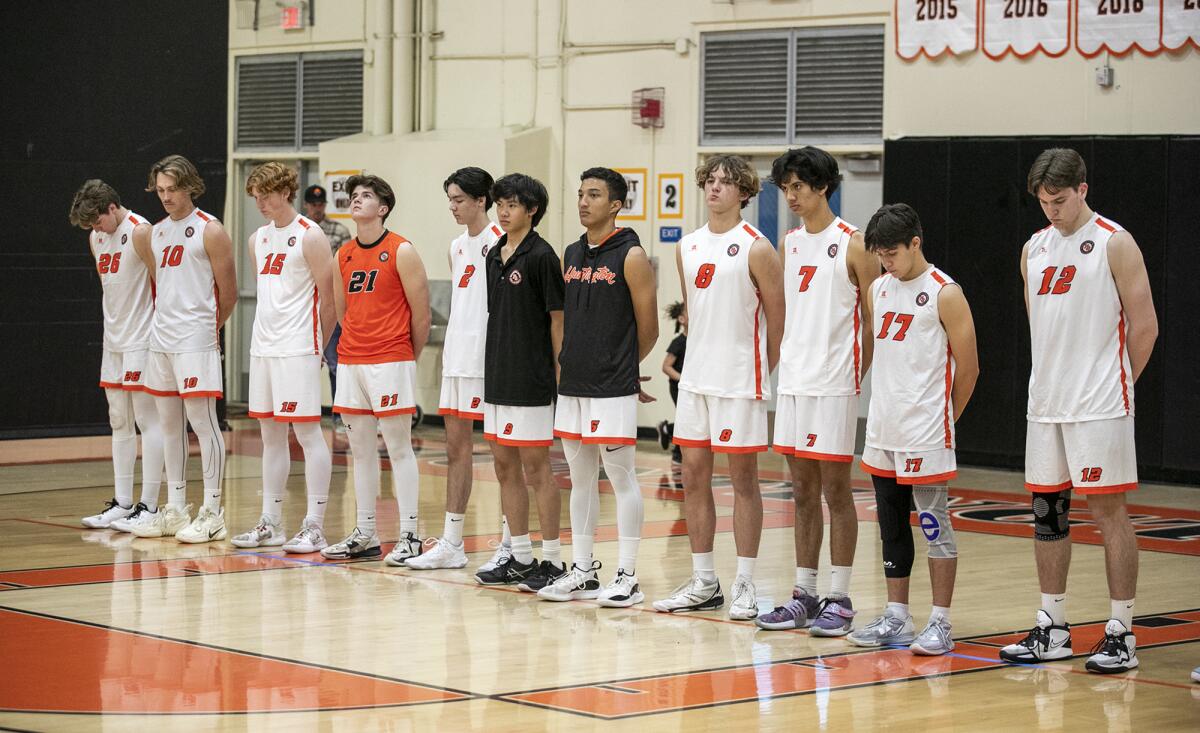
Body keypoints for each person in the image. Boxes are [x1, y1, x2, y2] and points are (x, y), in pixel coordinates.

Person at [999, 148, 1158, 675]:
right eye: (1044, 202)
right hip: (1046, 405)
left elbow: (1145, 326)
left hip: (1100, 404)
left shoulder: (1116, 242)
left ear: (1083, 190)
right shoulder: (1033, 249)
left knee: (1109, 513)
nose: (1052, 210)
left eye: (1060, 201)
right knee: (1048, 516)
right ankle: (1053, 625)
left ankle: (1121, 631)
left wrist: (1118, 387)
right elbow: (1042, 328)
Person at [652, 155, 785, 619]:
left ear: (745, 192)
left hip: (738, 382)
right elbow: (692, 316)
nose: (715, 188)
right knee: (693, 478)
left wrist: (758, 375)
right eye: (710, 180)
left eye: (726, 182)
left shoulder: (757, 247)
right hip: (695, 383)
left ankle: (746, 581)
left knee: (744, 482)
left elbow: (777, 321)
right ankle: (704, 580)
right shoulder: (685, 246)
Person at [756, 147, 879, 636]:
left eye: (798, 186)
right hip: (795, 383)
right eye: (785, 188)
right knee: (801, 490)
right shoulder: (789, 243)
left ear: (823, 186)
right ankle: (803, 593)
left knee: (836, 490)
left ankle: (841, 597)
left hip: (833, 385)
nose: (790, 195)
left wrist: (854, 375)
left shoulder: (855, 243)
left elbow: (874, 318)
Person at [847, 203, 978, 656]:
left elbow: (970, 368)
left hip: (925, 433)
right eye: (880, 255)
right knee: (890, 526)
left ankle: (941, 621)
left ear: (915, 244)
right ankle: (896, 615)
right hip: (883, 429)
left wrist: (944, 422)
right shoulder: (879, 289)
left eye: (893, 253)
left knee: (932, 524)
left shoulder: (945, 292)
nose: (886, 262)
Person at [538, 167, 658, 606]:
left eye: (594, 195)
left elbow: (649, 328)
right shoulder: (571, 253)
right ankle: (584, 570)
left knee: (622, 478)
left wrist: (624, 367)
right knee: (580, 480)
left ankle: (627, 575)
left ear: (615, 205)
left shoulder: (632, 255)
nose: (584, 202)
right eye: (581, 194)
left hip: (611, 386)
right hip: (572, 384)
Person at [320, 174, 431, 563]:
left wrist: (405, 356)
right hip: (352, 360)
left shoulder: (402, 250)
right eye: (354, 195)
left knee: (398, 448)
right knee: (360, 451)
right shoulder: (343, 254)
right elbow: (341, 309)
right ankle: (365, 533)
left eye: (366, 196)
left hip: (390, 359)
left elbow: (422, 315)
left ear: (383, 208)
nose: (357, 200)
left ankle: (411, 535)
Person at [405, 167, 511, 571]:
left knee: (504, 456)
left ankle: (509, 542)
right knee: (455, 450)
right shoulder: (456, 246)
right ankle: (452, 542)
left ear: (482, 200)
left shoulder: (501, 243)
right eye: (449, 199)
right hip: (458, 360)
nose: (452, 206)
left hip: (491, 361)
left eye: (459, 199)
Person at [129, 155, 236, 543]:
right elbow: (162, 287)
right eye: (159, 190)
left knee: (203, 425)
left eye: (172, 189)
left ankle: (212, 511)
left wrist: (209, 330)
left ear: (190, 185)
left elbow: (229, 292)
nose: (166, 197)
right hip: (161, 342)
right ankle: (175, 508)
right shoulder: (153, 233)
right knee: (169, 427)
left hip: (195, 342)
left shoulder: (211, 230)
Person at [231, 163, 336, 553]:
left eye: (264, 194)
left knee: (307, 434)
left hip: (298, 347)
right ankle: (270, 523)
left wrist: (321, 347)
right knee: (270, 437)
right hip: (264, 347)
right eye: (254, 195)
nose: (258, 202)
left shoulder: (311, 236)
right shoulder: (256, 239)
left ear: (284, 192)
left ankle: (315, 525)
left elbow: (329, 298)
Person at [473, 174, 566, 588]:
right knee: (502, 464)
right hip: (498, 373)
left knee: (536, 468)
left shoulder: (543, 256)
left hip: (531, 377)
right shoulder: (494, 253)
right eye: (500, 204)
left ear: (532, 210)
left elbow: (557, 323)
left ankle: (553, 559)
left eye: (512, 204)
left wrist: (560, 377)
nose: (503, 211)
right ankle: (522, 556)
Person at [69, 180, 163, 532]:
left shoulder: (141, 232)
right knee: (118, 419)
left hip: (144, 339)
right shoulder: (96, 238)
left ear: (112, 208)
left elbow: (162, 283)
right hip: (115, 341)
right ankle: (123, 502)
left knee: (146, 419)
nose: (95, 229)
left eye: (97, 221)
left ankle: (149, 505)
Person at [303, 184, 351, 426]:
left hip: (329, 302)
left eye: (320, 205)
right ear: (306, 205)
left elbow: (346, 268)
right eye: (313, 205)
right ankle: (298, 410)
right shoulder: (298, 231)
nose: (317, 209)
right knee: (302, 363)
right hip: (302, 307)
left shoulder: (338, 231)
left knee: (335, 362)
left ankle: (339, 413)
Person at [658, 301, 687, 464]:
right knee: (685, 419)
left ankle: (667, 430)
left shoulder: (699, 340)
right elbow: (666, 366)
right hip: (678, 386)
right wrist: (683, 379)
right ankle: (677, 452)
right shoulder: (679, 342)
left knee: (688, 420)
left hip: (690, 387)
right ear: (682, 319)